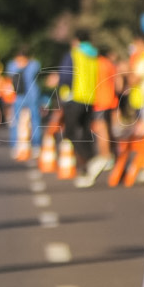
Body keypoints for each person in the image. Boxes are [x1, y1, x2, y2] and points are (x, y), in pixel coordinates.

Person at [56, 30, 102, 186]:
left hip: (74, 97)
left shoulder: (74, 53)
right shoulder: (94, 55)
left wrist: (60, 86)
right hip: (90, 97)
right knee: (85, 131)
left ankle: (89, 162)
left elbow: (66, 76)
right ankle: (90, 164)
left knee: (70, 133)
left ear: (76, 40)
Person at [6, 46, 42, 157]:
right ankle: (20, 145)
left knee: (33, 120)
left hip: (27, 95)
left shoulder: (29, 65)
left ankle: (34, 144)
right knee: (21, 120)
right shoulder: (30, 64)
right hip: (21, 95)